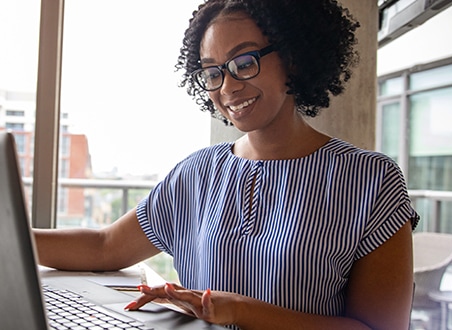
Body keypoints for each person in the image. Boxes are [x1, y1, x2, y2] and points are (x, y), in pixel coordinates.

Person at [34, 0, 420, 329]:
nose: (227, 87)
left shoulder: (370, 180)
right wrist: (2, 234)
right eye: (213, 71)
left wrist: (240, 311)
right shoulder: (198, 173)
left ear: (293, 57)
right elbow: (104, 247)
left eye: (245, 61)